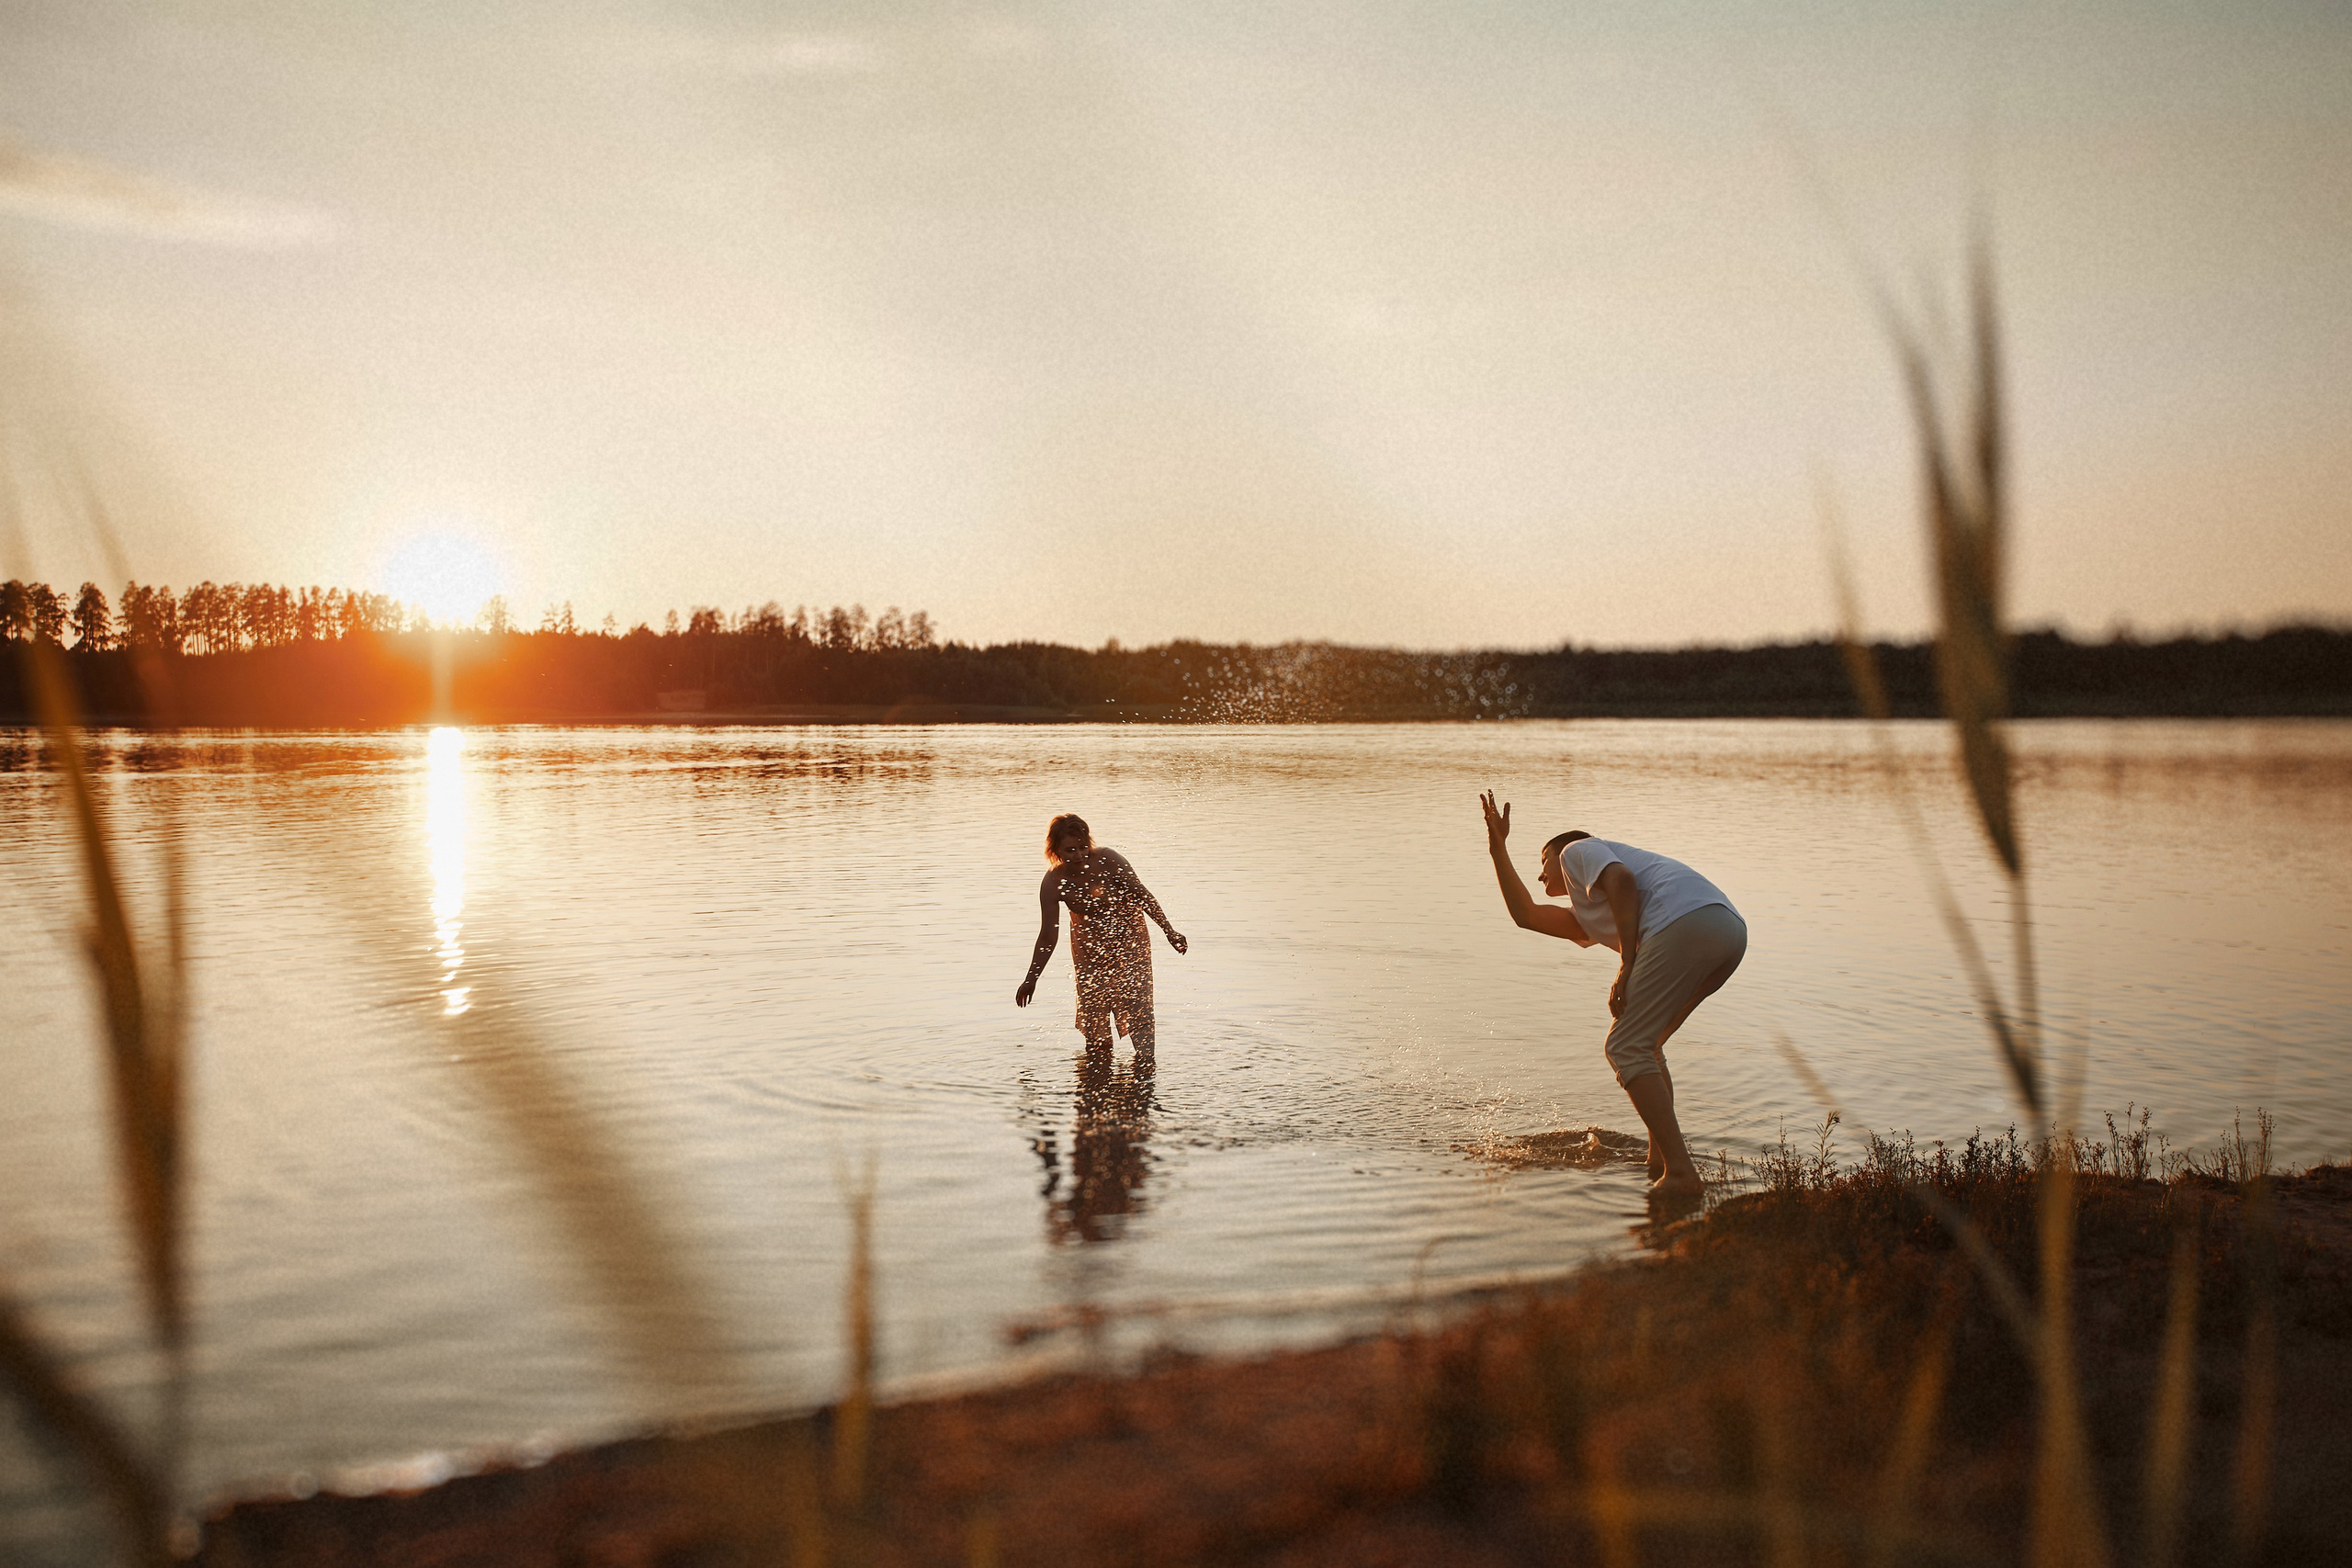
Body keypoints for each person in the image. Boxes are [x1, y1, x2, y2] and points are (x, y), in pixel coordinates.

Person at [1477, 790, 1747, 1197]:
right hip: (1726, 930)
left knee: (1623, 1046)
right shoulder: (1589, 914)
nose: (1542, 873)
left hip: (1685, 922)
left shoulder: (1576, 850)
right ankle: (1660, 1161)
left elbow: (1620, 879)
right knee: (1647, 1046)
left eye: (1541, 861)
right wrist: (1498, 848)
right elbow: (1526, 915)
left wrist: (1627, 964)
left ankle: (1681, 1173)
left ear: (1558, 851)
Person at [1014, 814, 1187, 1058]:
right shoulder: (1053, 882)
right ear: (1054, 850)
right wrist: (1031, 978)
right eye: (1070, 850)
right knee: (1095, 1021)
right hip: (1089, 949)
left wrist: (1169, 931)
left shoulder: (1108, 859)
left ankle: (1145, 1067)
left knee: (1137, 1006)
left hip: (1129, 941)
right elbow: (1048, 936)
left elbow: (1142, 896)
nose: (1079, 856)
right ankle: (1097, 1072)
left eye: (1083, 847)